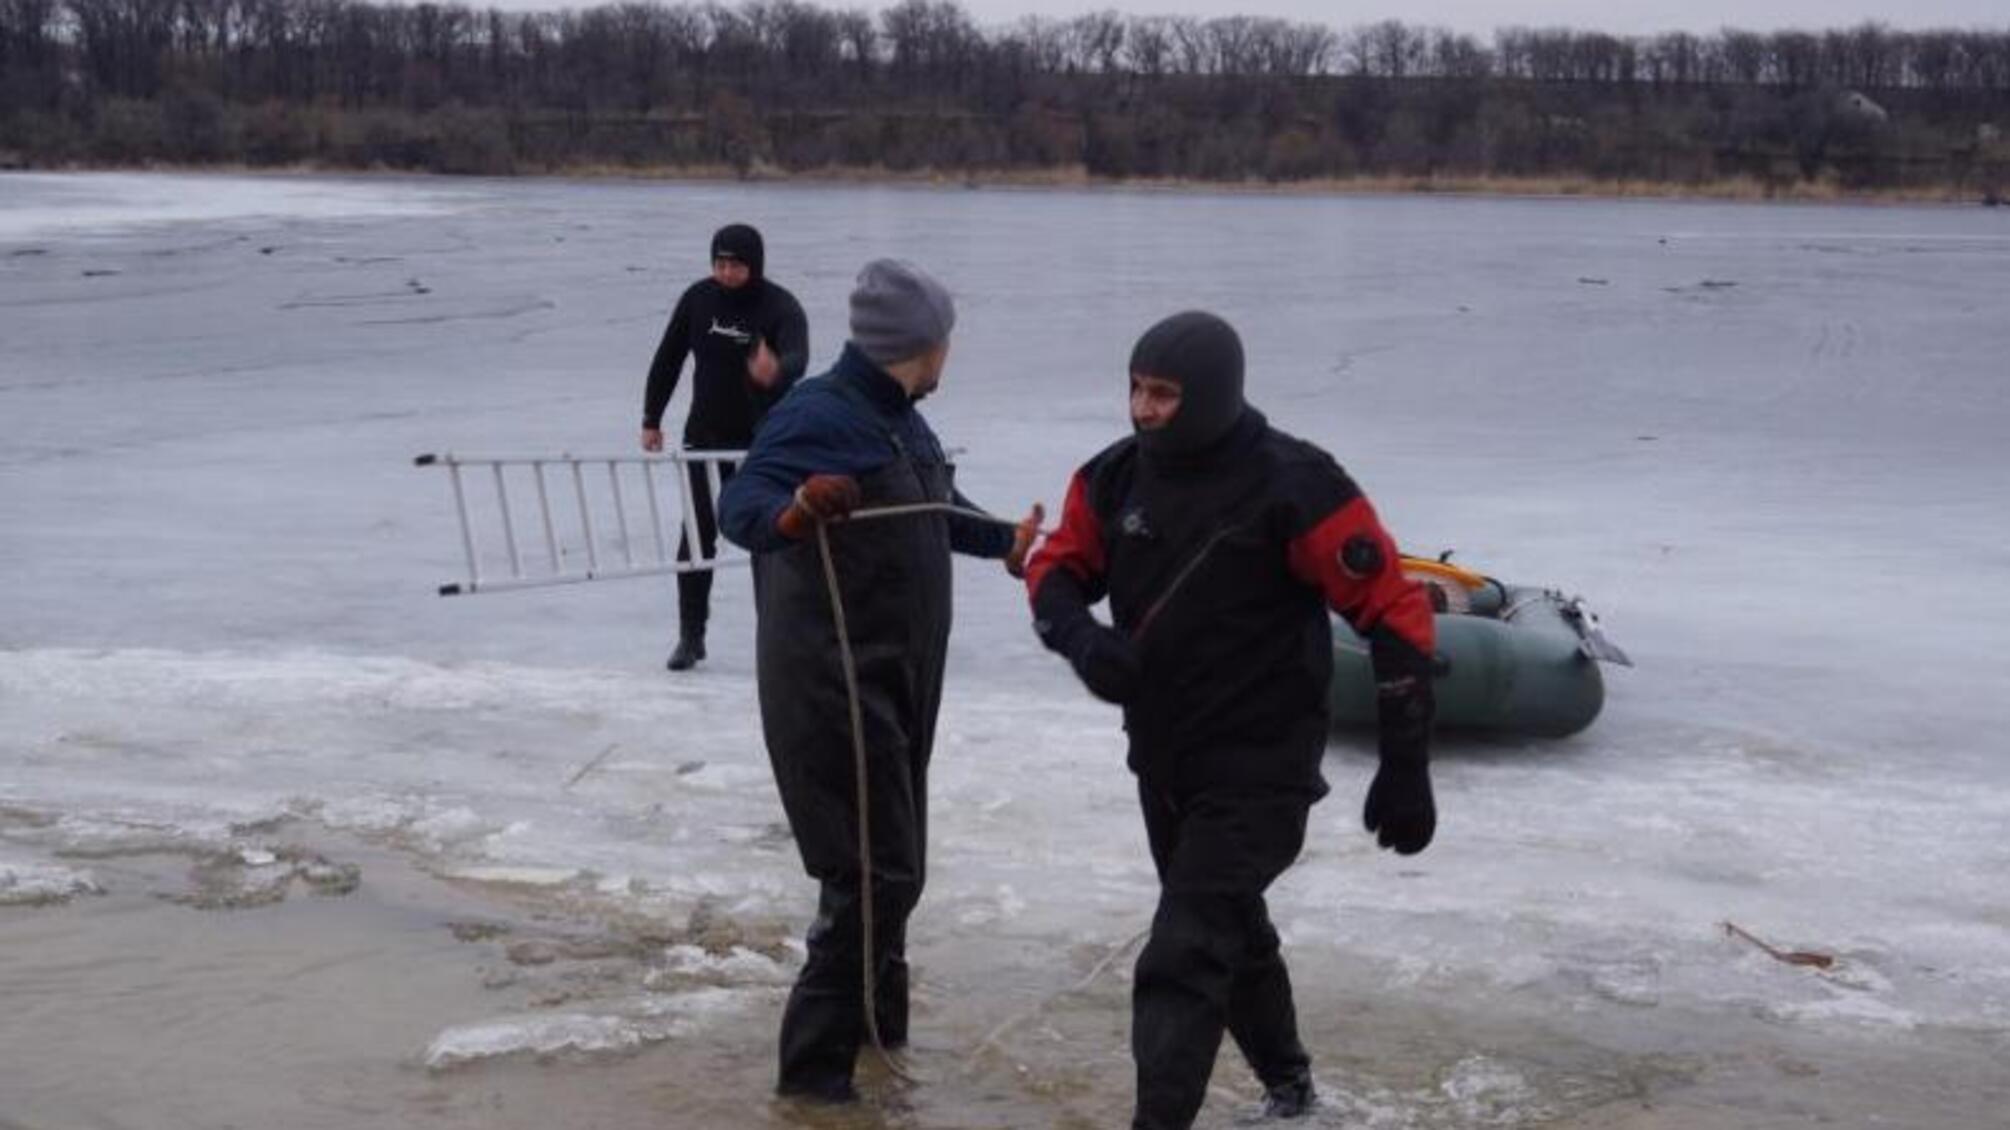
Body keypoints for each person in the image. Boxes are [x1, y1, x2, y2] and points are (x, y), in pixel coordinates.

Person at [1022, 311, 1439, 1129]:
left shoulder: (1296, 484)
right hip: (1166, 758)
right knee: (1229, 932)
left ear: (1211, 396)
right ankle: (1292, 1091)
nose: (1142, 409)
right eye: (1136, 389)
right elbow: (1054, 570)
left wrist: (1407, 763)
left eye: (1164, 394)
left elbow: (1395, 613)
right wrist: (1083, 642)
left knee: (1183, 950)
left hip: (1263, 766)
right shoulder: (1112, 479)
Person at [718, 258, 1041, 1102]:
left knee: (895, 866)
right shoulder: (819, 412)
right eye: (947, 340)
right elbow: (742, 504)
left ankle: (876, 1041)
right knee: (872, 873)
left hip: (897, 673)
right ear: (923, 344)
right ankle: (815, 1088)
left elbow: (934, 504)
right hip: (833, 677)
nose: (950, 356)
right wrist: (793, 512)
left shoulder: (896, 416)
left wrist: (1004, 540)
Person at [641, 222, 809, 671]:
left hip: (762, 444)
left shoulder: (779, 305)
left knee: (768, 538)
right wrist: (651, 418)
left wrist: (778, 369)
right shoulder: (699, 299)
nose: (726, 272)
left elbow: (800, 356)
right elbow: (668, 359)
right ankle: (690, 636)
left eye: (735, 265)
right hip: (706, 437)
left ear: (753, 265)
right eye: (719, 263)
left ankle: (773, 637)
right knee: (696, 537)